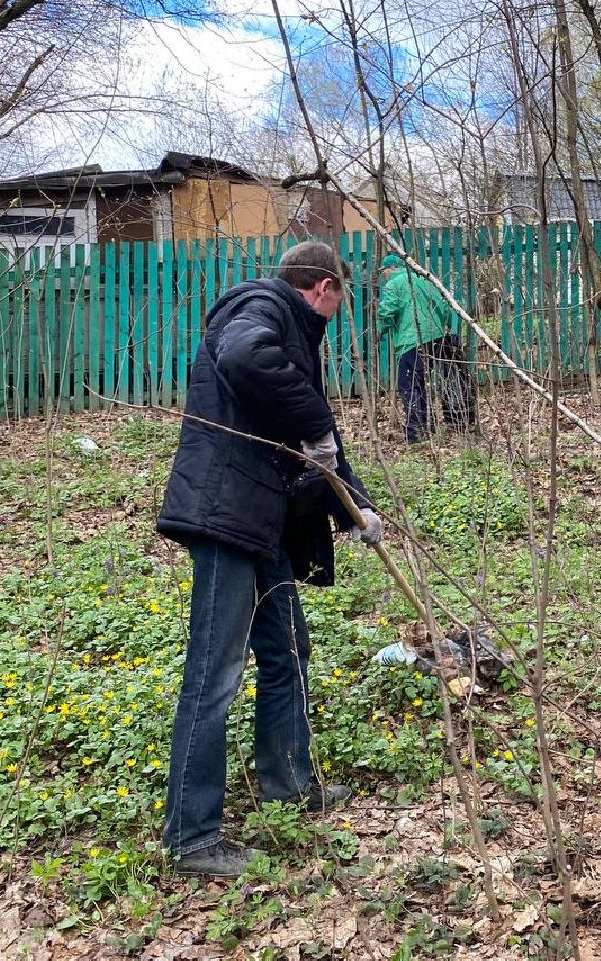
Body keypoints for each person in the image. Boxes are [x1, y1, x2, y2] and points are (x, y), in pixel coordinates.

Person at [156, 240, 383, 878]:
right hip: (226, 518)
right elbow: (244, 357)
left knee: (287, 650)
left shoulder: (289, 333)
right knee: (216, 668)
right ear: (323, 287)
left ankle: (287, 782)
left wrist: (356, 511)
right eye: (342, 297)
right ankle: (191, 835)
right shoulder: (262, 307)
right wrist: (317, 422)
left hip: (261, 524)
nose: (339, 313)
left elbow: (319, 453)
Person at [376, 252, 474, 442]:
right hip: (437, 338)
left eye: (384, 271)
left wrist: (380, 330)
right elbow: (444, 309)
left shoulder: (393, 284)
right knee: (447, 380)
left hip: (410, 341)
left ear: (391, 269)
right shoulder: (426, 281)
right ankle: (459, 422)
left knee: (411, 385)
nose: (384, 275)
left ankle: (416, 432)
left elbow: (387, 312)